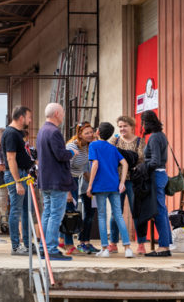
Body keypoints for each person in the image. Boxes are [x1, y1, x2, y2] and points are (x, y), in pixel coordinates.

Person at [86, 122, 134, 259]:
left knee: (102, 216)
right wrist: (122, 182)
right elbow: (125, 163)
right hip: (114, 186)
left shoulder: (93, 145)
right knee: (118, 215)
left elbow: (95, 164)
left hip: (100, 186)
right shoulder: (113, 148)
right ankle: (128, 248)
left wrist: (90, 186)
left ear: (97, 132)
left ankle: (105, 249)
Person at [36, 103, 76, 261]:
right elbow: (60, 155)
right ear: (57, 113)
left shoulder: (42, 131)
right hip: (57, 180)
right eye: (63, 112)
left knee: (47, 214)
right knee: (55, 215)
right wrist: (72, 152)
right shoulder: (54, 132)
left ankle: (43, 247)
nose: (64, 115)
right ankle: (51, 248)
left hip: (45, 180)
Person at [108, 115, 147, 255]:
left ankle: (141, 243)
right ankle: (113, 243)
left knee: (137, 211)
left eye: (125, 126)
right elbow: (107, 157)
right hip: (116, 181)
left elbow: (144, 161)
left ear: (132, 126)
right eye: (120, 126)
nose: (122, 128)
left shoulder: (140, 142)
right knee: (115, 212)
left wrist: (136, 167)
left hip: (133, 181)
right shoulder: (114, 140)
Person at [2, 106, 35, 256]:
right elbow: (10, 158)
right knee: (16, 210)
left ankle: (27, 244)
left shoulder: (17, 134)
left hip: (23, 175)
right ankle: (16, 246)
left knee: (27, 210)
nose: (30, 120)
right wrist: (17, 181)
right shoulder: (10, 134)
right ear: (21, 118)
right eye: (28, 117)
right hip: (17, 175)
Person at [139, 110, 173, 257]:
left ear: (146, 123)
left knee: (158, 211)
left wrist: (141, 167)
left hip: (156, 176)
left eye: (143, 122)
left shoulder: (153, 138)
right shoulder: (161, 136)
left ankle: (164, 247)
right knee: (162, 210)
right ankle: (166, 244)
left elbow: (155, 161)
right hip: (161, 175)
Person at [63, 122, 99, 255]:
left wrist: (92, 185)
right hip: (67, 180)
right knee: (69, 212)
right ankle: (68, 244)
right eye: (87, 133)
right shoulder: (72, 146)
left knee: (72, 212)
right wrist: (67, 191)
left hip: (76, 180)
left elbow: (84, 170)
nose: (90, 135)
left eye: (91, 132)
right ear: (79, 134)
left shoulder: (87, 147)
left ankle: (68, 241)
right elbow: (65, 169)